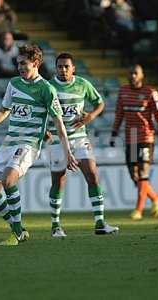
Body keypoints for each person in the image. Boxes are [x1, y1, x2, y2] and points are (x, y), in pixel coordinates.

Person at [0, 45, 78, 246]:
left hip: (29, 144)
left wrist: (68, 153)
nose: (19, 67)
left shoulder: (47, 89)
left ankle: (17, 233)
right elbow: (4, 111)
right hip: (9, 143)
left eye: (23, 63)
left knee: (8, 180)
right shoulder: (13, 84)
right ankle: (18, 228)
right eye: (18, 63)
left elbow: (58, 124)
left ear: (35, 63)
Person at [46, 53, 119, 238]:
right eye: (59, 66)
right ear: (55, 68)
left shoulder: (82, 84)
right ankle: (55, 225)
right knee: (58, 180)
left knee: (92, 174)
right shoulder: (48, 87)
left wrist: (91, 116)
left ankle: (100, 222)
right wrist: (43, 131)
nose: (63, 70)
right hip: (57, 140)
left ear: (73, 68)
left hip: (79, 137)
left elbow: (100, 103)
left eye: (66, 66)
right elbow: (40, 111)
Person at [110, 64, 158, 220]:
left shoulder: (150, 93)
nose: (133, 76)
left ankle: (138, 210)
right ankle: (155, 197)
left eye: (136, 73)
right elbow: (119, 114)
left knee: (143, 172)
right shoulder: (123, 91)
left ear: (142, 75)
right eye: (130, 73)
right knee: (134, 175)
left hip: (145, 136)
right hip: (131, 136)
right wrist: (113, 133)